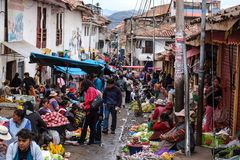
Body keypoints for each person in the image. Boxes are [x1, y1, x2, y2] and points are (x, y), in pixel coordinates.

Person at [78, 79, 99, 145]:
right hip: (94, 110)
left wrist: (83, 104)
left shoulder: (90, 89)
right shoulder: (94, 89)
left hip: (90, 110)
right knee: (92, 126)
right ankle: (91, 141)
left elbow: (90, 99)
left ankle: (81, 140)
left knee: (85, 126)